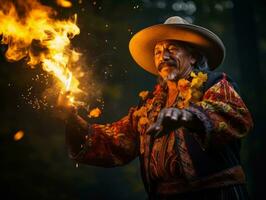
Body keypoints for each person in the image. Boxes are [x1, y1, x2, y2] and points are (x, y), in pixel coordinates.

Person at [62, 16, 253, 199]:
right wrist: (72, 120)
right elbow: (117, 142)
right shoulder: (150, 104)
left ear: (193, 57)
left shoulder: (214, 84)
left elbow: (236, 116)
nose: (164, 56)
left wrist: (186, 116)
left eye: (172, 49)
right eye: (158, 52)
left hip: (215, 195)